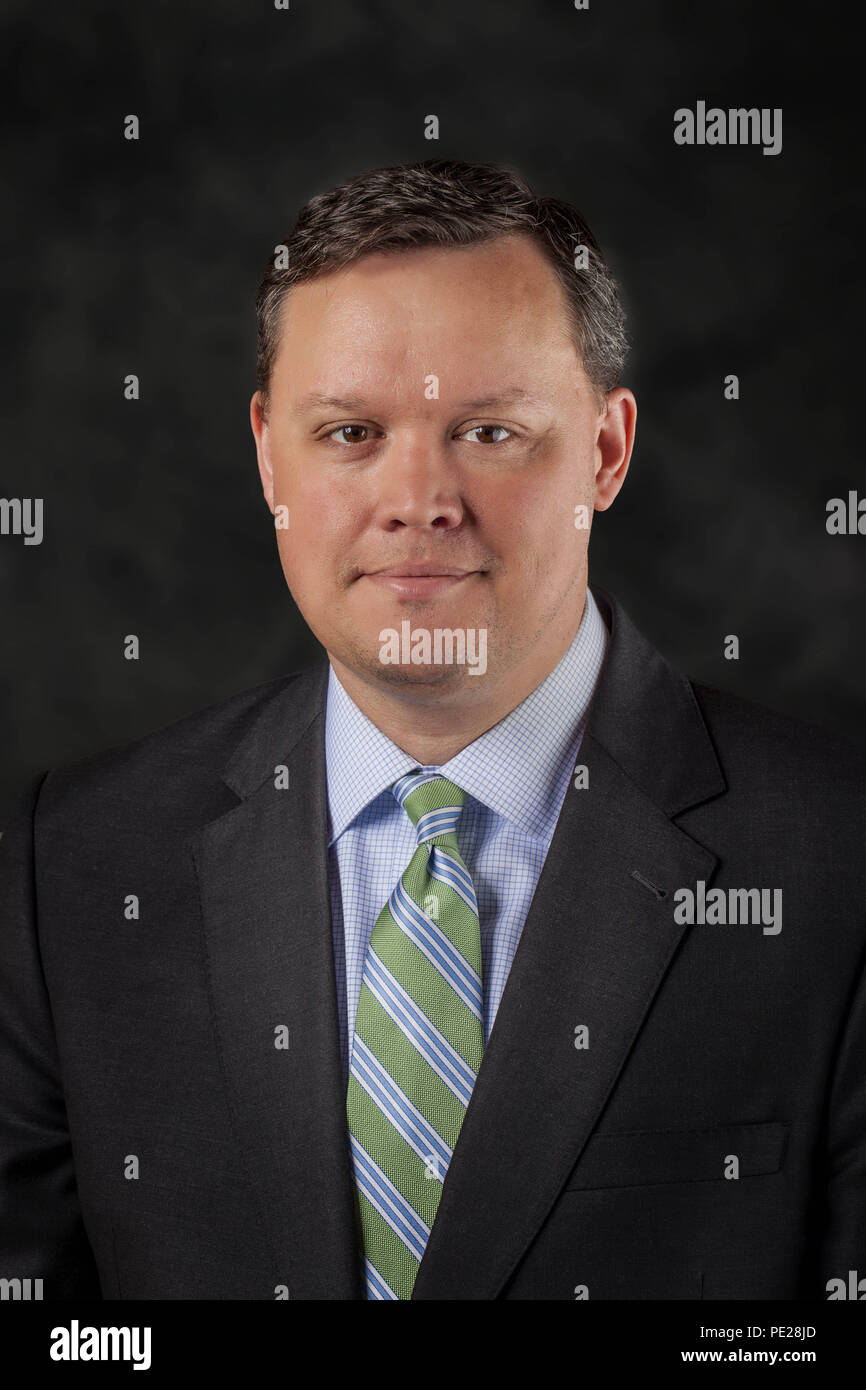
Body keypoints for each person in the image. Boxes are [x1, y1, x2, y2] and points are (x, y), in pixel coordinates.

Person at [1, 159, 864, 1301]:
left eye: (490, 432)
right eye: (351, 430)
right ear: (269, 456)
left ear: (603, 453)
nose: (419, 499)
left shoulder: (836, 863)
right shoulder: (77, 862)